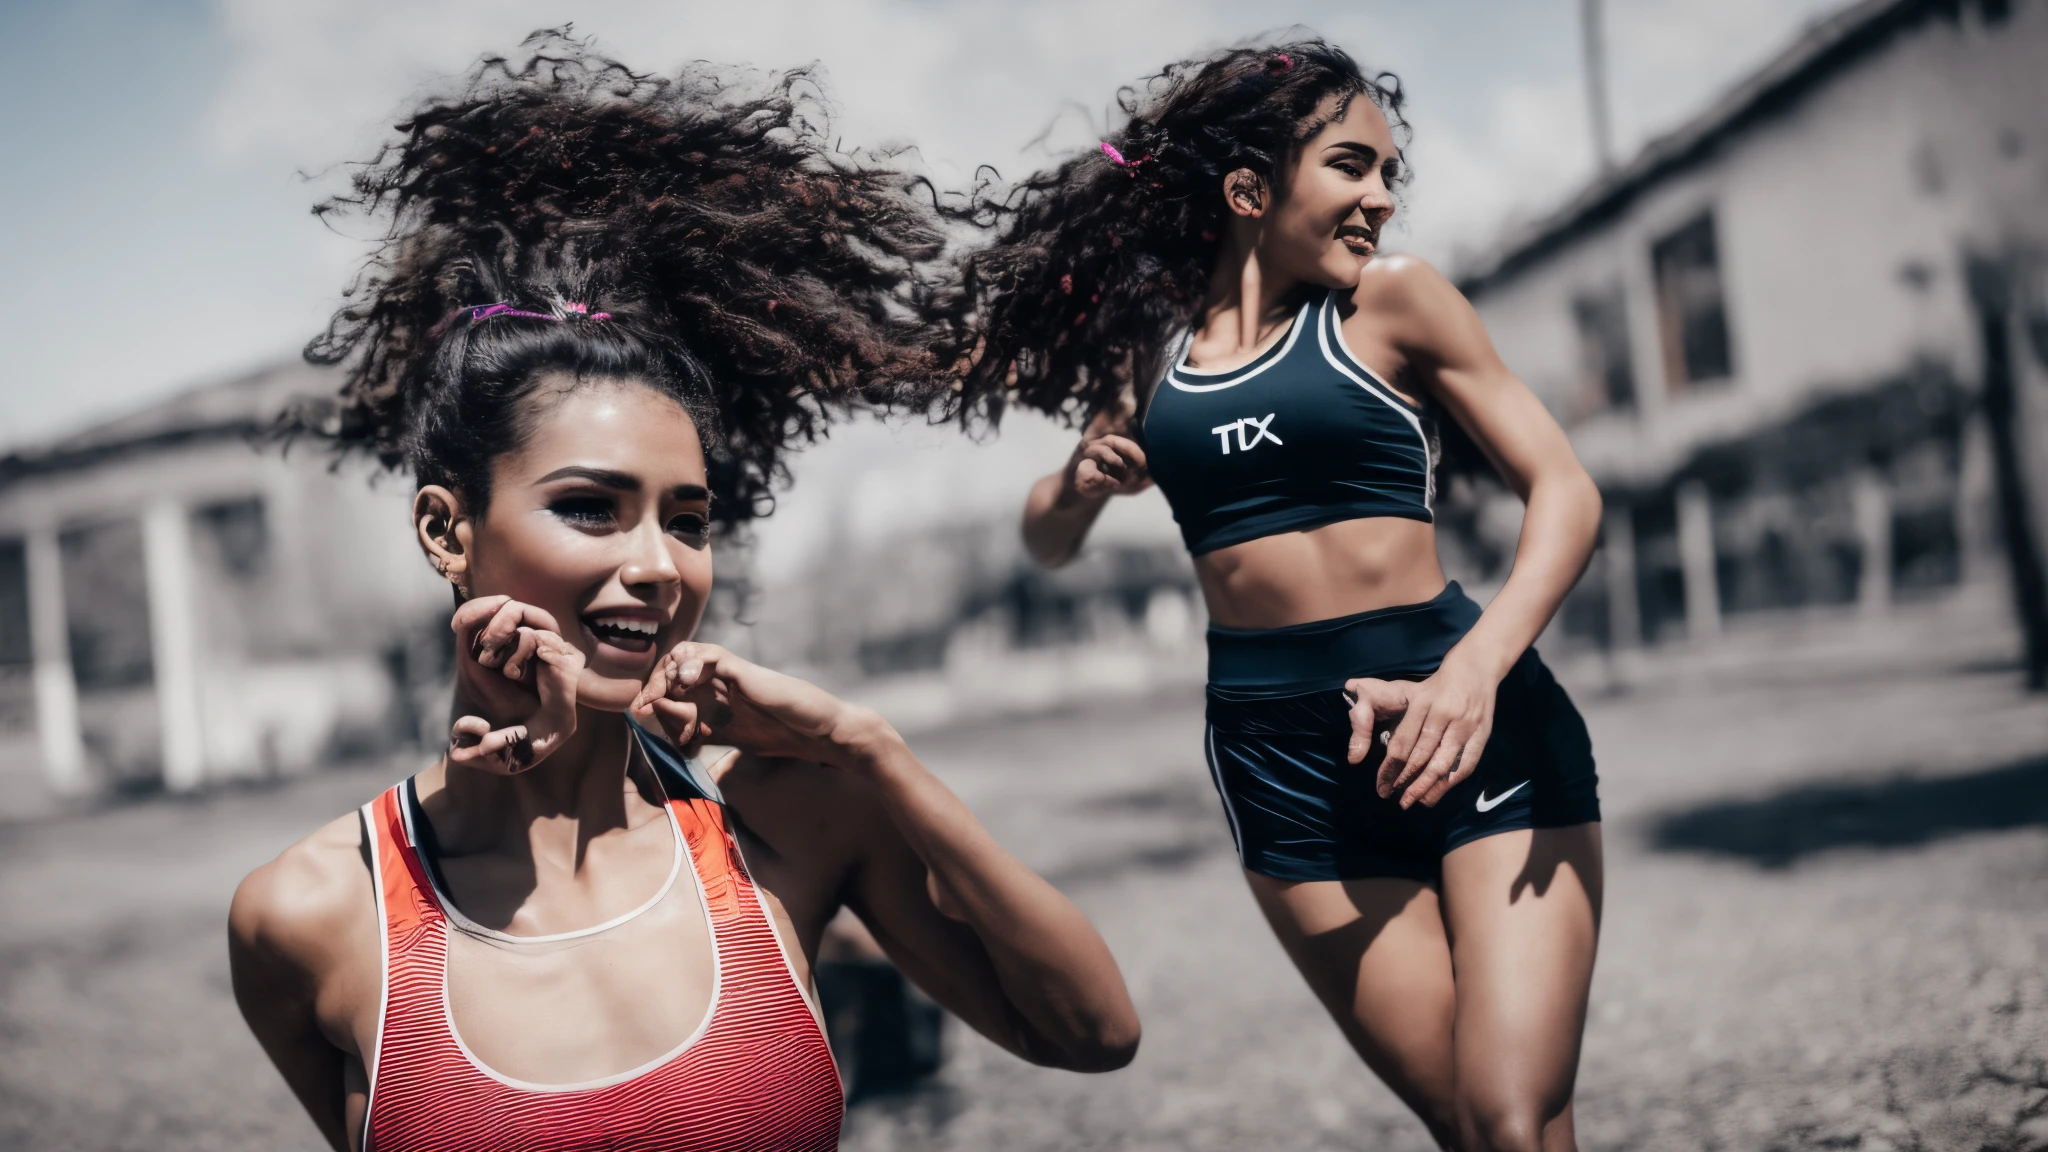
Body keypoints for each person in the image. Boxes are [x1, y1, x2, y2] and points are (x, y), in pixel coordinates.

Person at [228, 37, 1138, 1152]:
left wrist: (871, 749)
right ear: (444, 530)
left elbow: (1093, 1034)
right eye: (590, 508)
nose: (660, 564)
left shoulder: (786, 824)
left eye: (687, 519)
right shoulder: (310, 915)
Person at [940, 40, 1604, 1152]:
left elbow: (1565, 492)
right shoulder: (1150, 364)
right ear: (1249, 190)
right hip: (1282, 764)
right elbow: (1045, 543)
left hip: (1474, 721)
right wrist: (1078, 481)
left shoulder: (1392, 306)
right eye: (1351, 168)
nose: (1380, 201)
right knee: (1473, 1124)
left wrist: (1473, 672)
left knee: (1507, 1110)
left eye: (1390, 175)